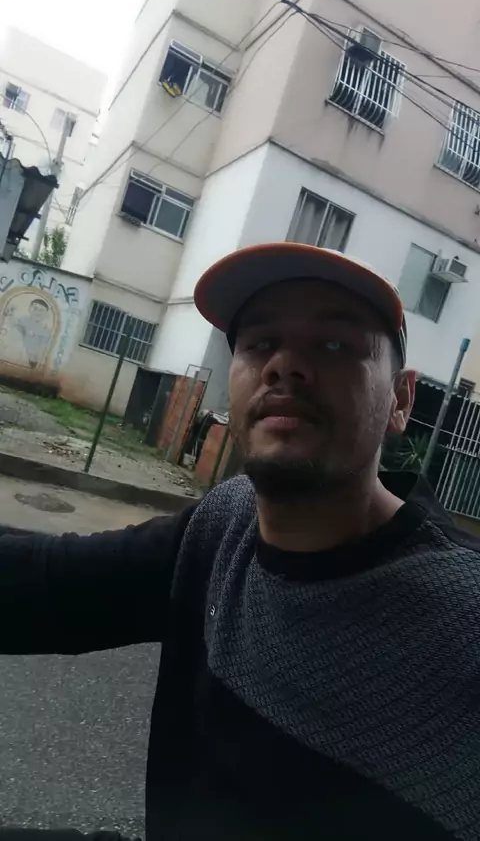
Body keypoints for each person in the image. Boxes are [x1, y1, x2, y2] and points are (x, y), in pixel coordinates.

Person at [1, 242, 479, 841]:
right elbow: (49, 583)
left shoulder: (464, 620)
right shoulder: (223, 527)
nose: (284, 365)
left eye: (335, 344)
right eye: (260, 342)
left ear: (400, 400)